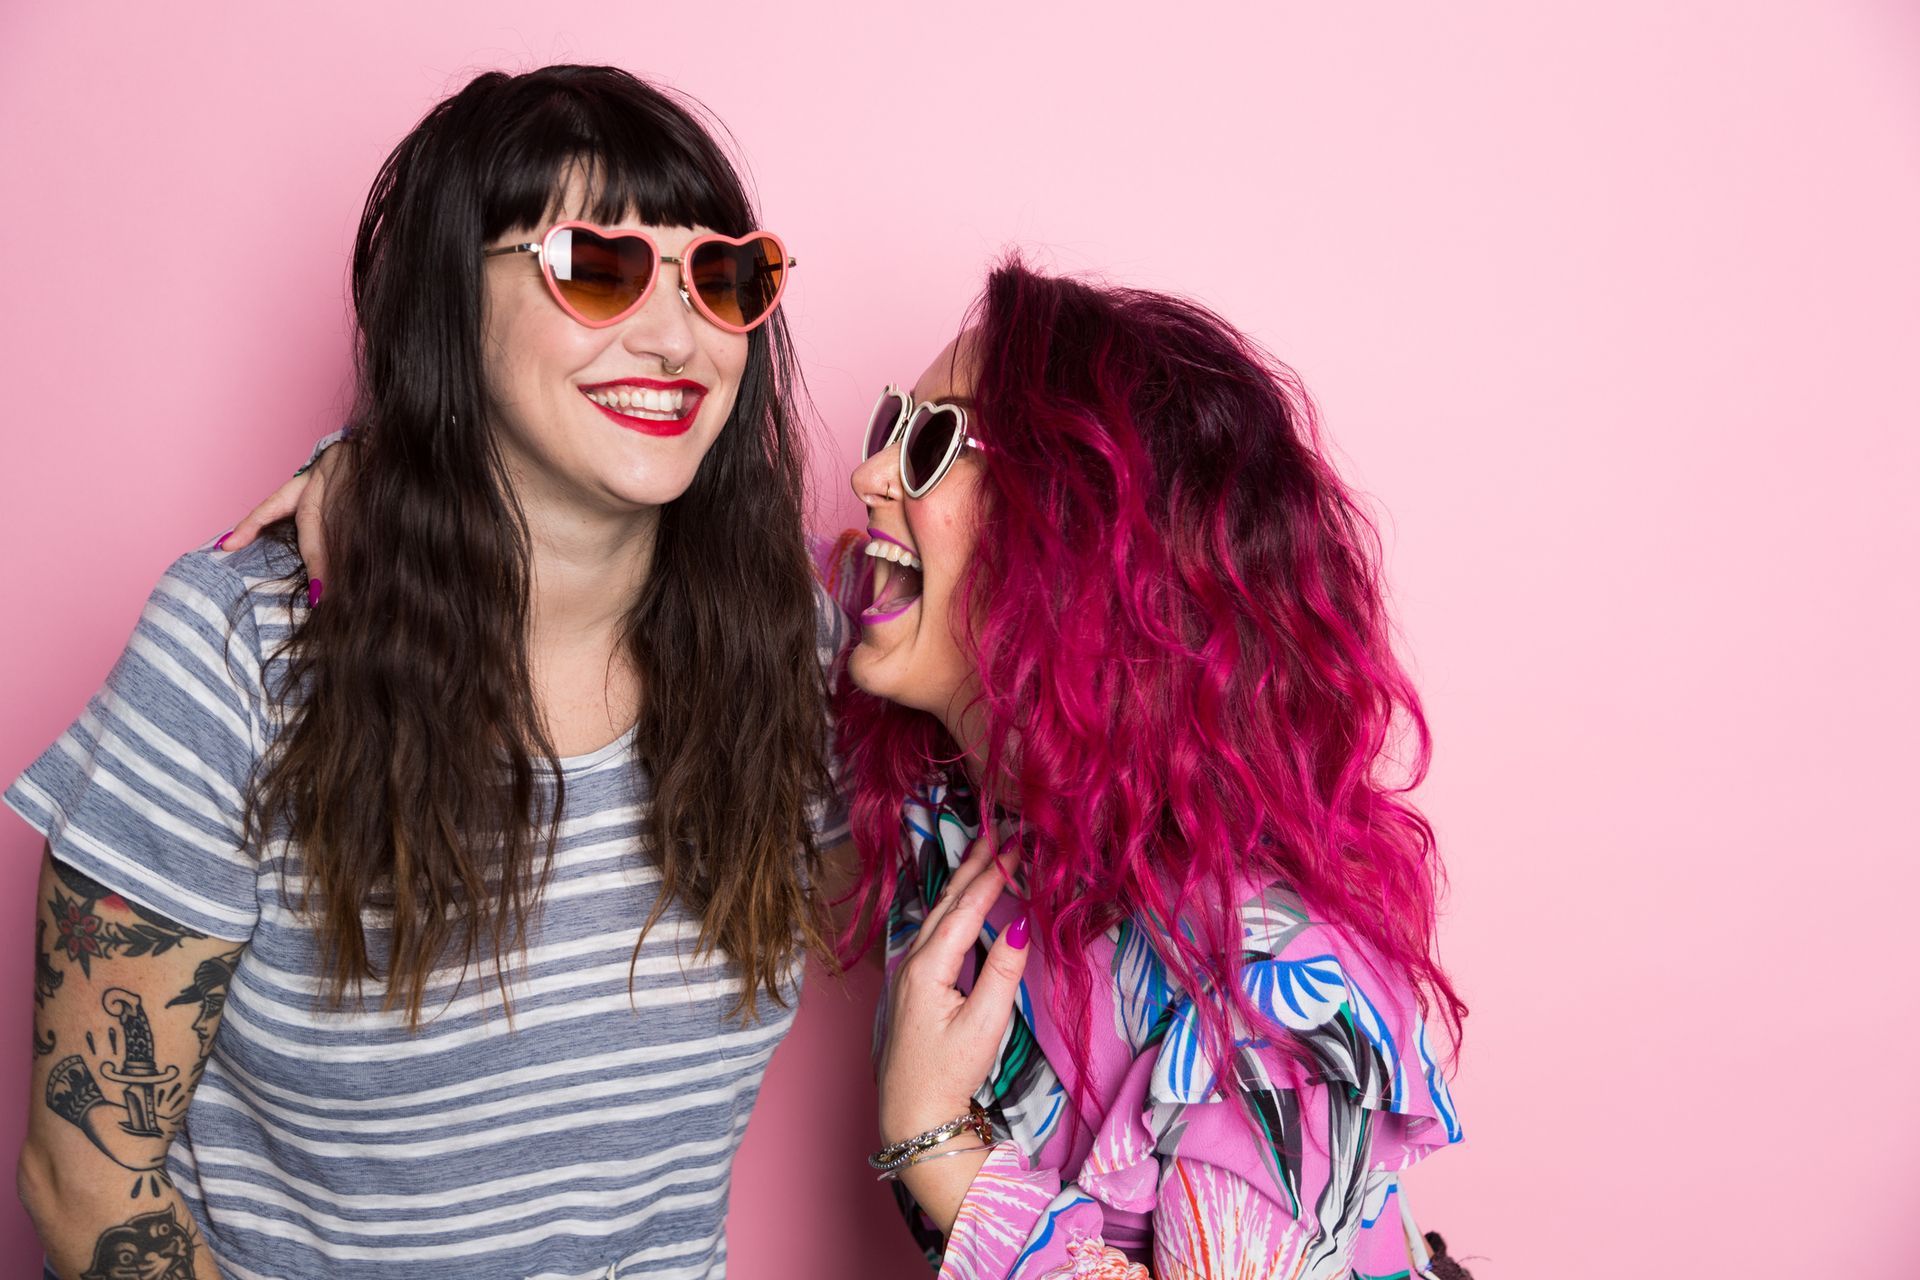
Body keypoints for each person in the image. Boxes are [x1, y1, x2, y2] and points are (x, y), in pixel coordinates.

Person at [9, 65, 845, 1279]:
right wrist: (393, 475)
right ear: (452, 302)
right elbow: (83, 1178)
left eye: (722, 279)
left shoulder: (792, 651)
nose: (677, 337)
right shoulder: (240, 651)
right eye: (597, 267)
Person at [836, 262, 1469, 1279]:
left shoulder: (1269, 1004)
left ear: (1078, 539)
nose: (869, 477)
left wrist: (935, 1141)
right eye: (889, 427)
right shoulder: (964, 815)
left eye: (932, 443)